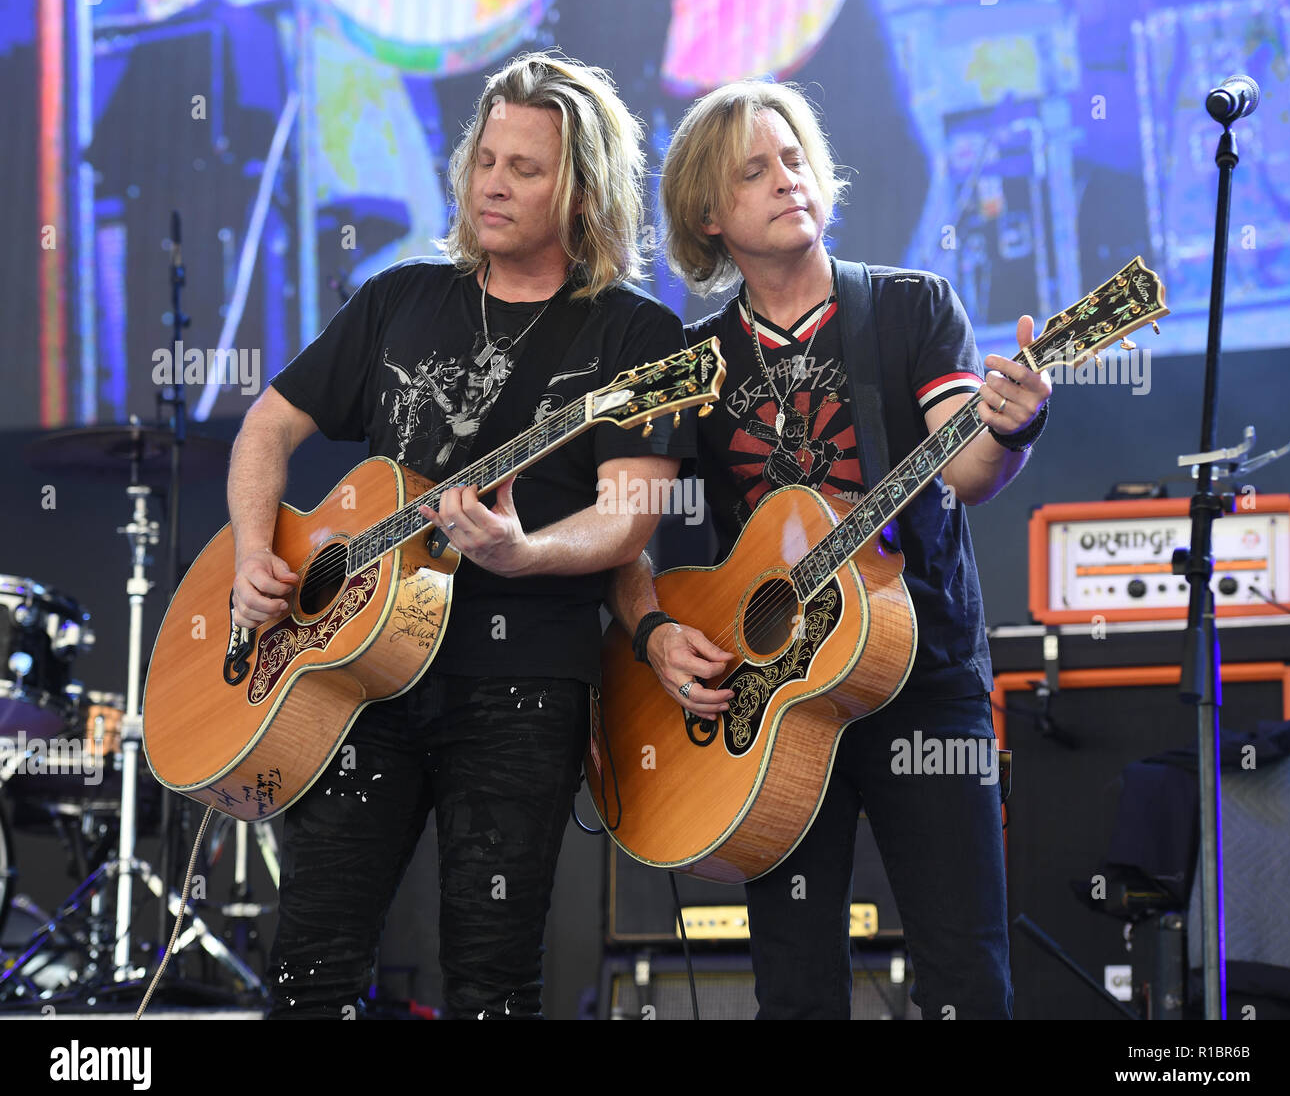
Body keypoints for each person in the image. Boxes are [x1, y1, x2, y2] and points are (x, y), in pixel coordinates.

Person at [228, 52, 692, 1019]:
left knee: (489, 979)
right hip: (358, 678)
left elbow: (628, 517)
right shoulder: (401, 299)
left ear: (581, 191)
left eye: (526, 168)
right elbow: (267, 428)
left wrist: (524, 553)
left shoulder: (637, 340)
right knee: (310, 966)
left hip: (521, 687)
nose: (493, 182)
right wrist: (248, 555)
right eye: (486, 158)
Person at [607, 81, 1051, 1019]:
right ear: (706, 213)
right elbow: (623, 533)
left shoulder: (907, 308)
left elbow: (966, 467)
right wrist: (650, 632)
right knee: (797, 992)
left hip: (918, 674)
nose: (787, 180)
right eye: (755, 170)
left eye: (796, 158)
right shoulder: (694, 366)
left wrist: (1012, 426)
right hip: (773, 706)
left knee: (968, 977)